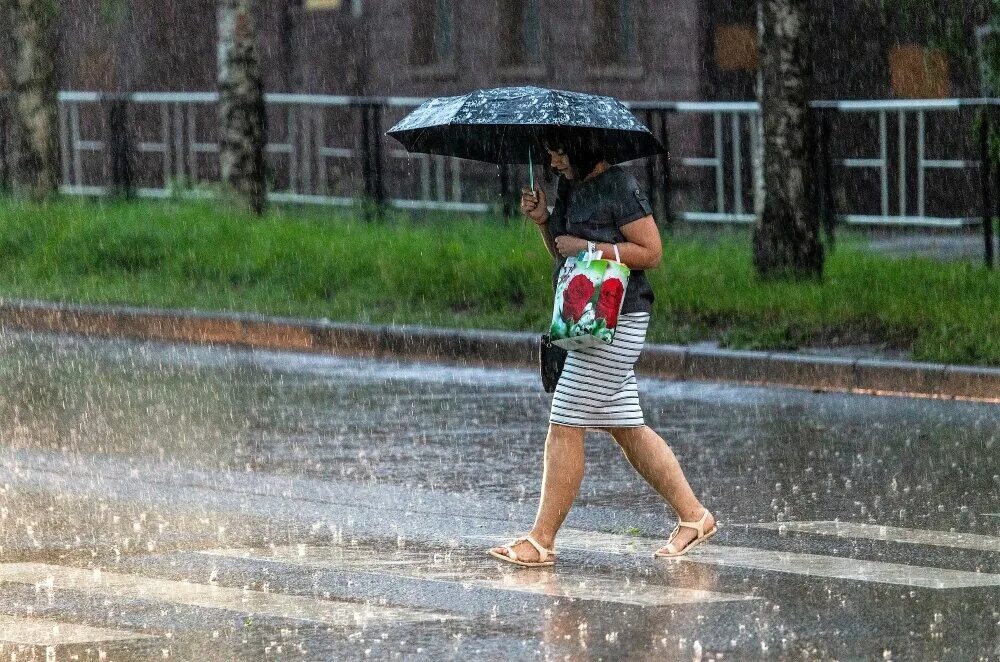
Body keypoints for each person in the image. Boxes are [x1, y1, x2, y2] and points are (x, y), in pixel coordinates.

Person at [488, 133, 717, 567]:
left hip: (620, 319)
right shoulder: (569, 186)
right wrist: (544, 220)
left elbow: (651, 252)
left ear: (582, 149)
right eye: (550, 157)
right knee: (627, 427)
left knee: (565, 420)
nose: (554, 164)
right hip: (585, 318)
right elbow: (564, 255)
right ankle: (694, 516)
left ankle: (542, 540)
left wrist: (591, 247)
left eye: (559, 155)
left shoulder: (619, 185)